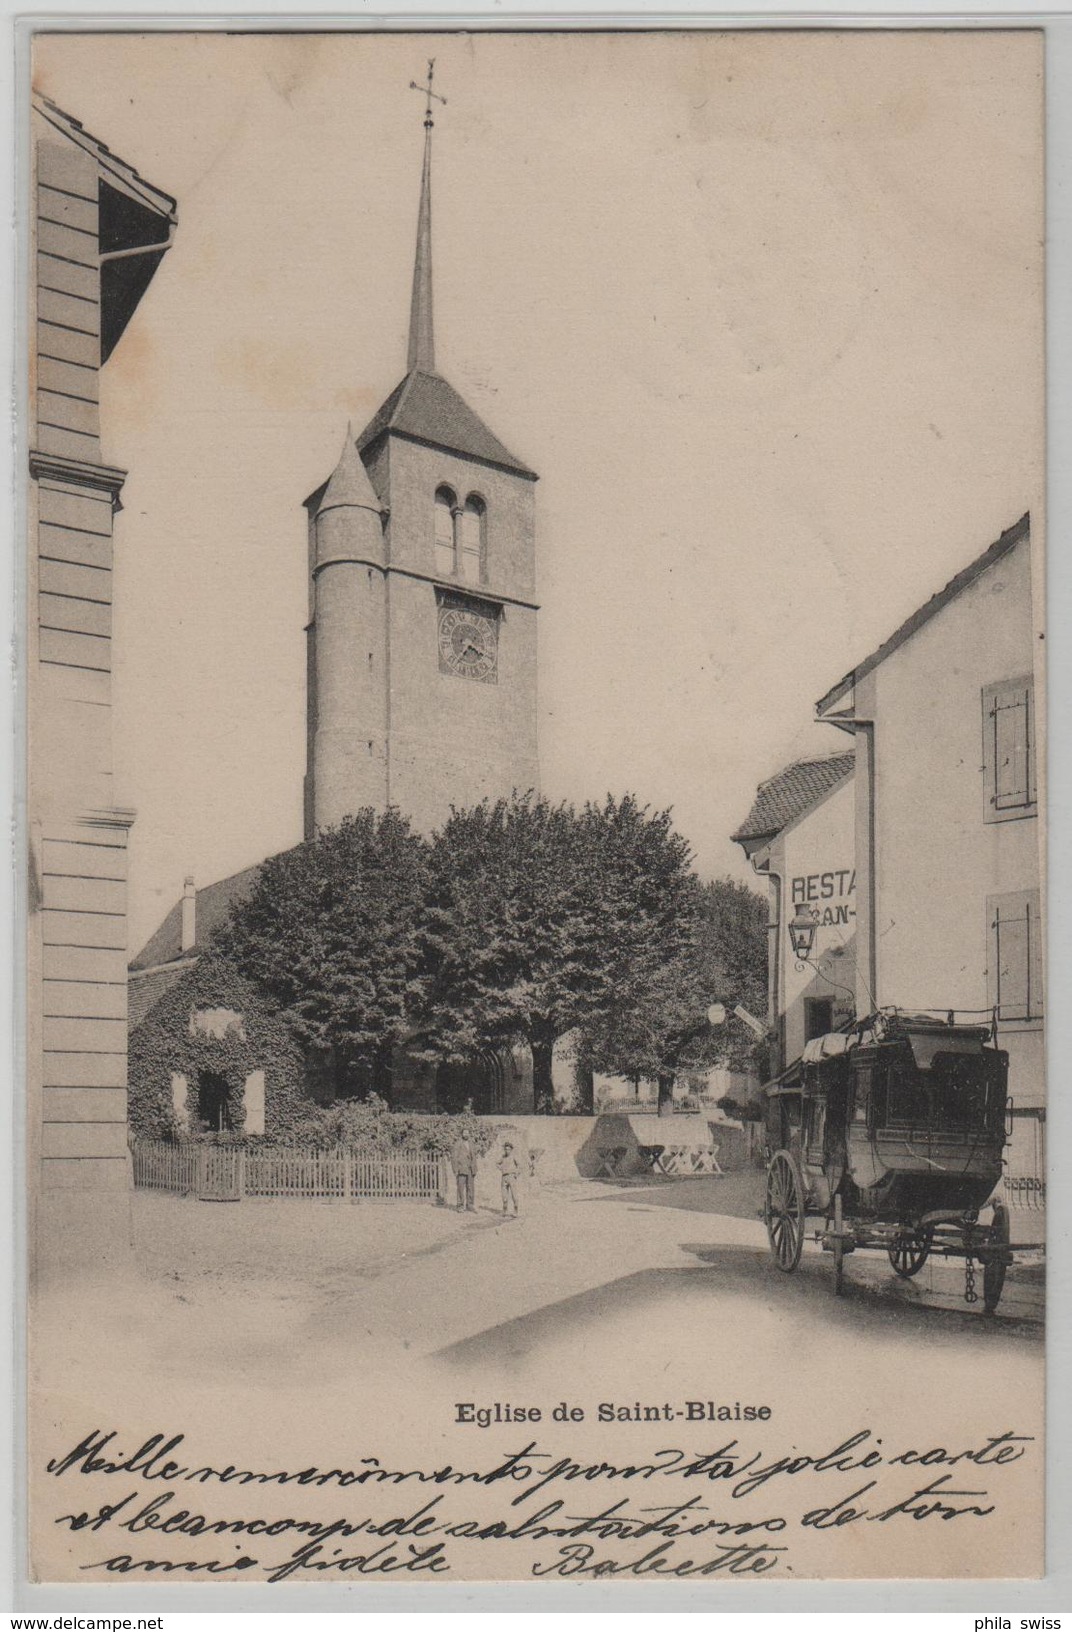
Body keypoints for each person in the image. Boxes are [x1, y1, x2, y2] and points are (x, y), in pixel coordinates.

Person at [449, 1134, 477, 1212]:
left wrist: (475, 1168)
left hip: (470, 1169)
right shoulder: (458, 1144)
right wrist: (455, 1169)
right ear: (462, 1134)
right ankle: (460, 1206)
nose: (466, 1134)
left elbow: (474, 1157)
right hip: (461, 1169)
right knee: (460, 1188)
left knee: (471, 1188)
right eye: (464, 1132)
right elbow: (453, 1157)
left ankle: (470, 1205)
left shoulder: (471, 1144)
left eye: (467, 1132)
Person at [498, 1141, 520, 1217]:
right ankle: (505, 1210)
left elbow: (519, 1166)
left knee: (514, 1194)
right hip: (504, 1177)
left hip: (511, 1177)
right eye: (506, 1149)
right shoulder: (503, 1157)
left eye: (508, 1149)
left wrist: (516, 1173)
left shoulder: (514, 1157)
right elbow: (497, 1163)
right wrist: (501, 1168)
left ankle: (516, 1210)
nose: (507, 1151)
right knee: (504, 1196)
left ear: (511, 1150)